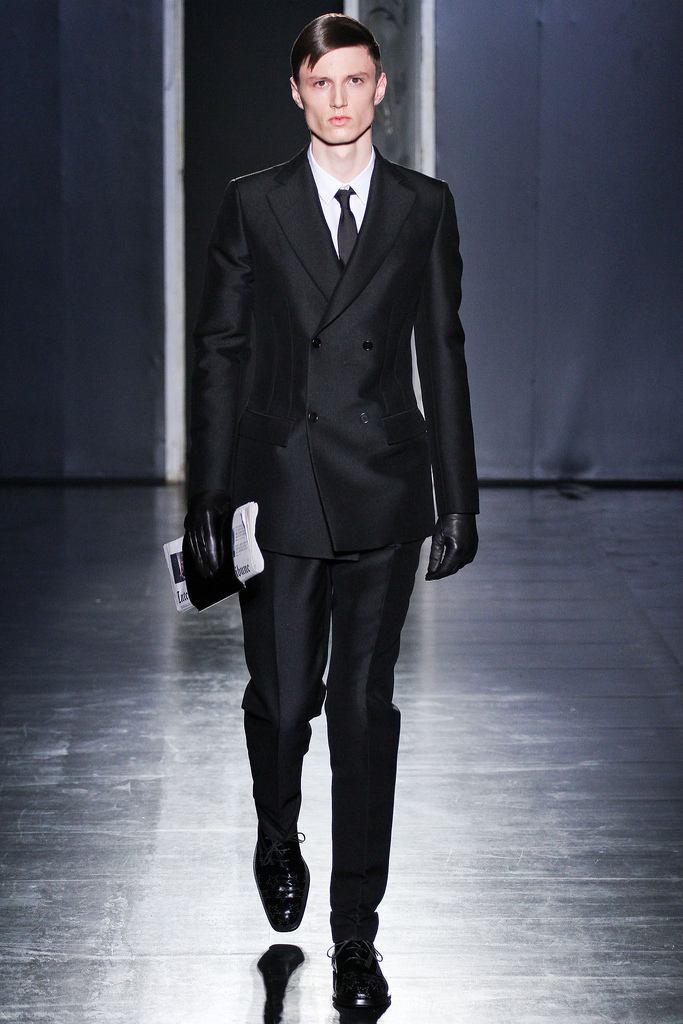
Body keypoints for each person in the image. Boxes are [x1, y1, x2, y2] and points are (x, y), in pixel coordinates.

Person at [185, 13, 478, 1011]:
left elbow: (441, 349)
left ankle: (356, 934)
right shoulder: (252, 203)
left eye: (356, 80)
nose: (340, 98)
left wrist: (457, 495)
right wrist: (208, 491)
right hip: (277, 487)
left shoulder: (421, 206)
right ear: (297, 92)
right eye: (322, 82)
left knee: (360, 711)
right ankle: (277, 832)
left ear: (381, 87)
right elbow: (220, 349)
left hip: (384, 488)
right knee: (281, 701)